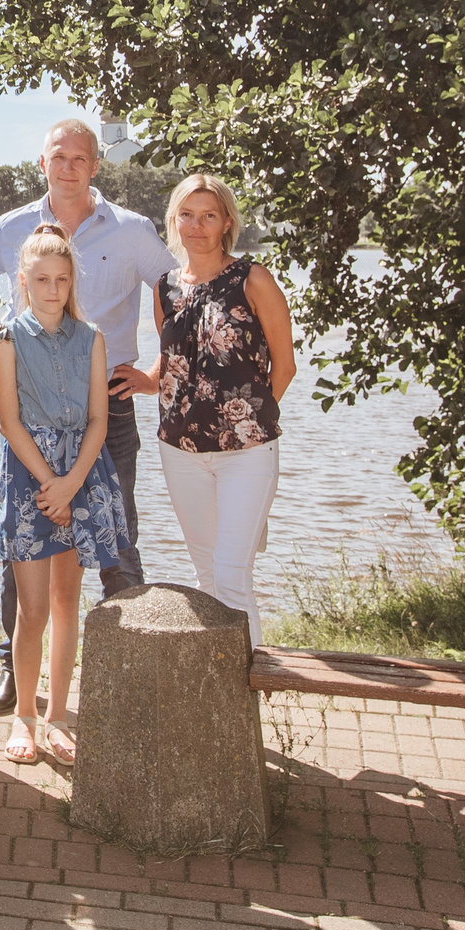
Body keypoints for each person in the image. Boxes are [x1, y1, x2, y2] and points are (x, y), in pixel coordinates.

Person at [0, 117, 176, 717]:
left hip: (106, 412)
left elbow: (178, 293)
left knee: (115, 544)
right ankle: (14, 673)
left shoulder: (131, 230)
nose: (69, 167)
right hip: (28, 422)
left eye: (81, 158)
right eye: (59, 156)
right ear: (43, 163)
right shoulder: (10, 230)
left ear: (95, 166)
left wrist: (158, 371)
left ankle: (129, 674)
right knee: (22, 561)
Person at [0, 225, 134, 767]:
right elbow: (9, 422)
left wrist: (72, 482)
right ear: (24, 282)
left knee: (65, 601)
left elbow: (101, 418)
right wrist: (48, 484)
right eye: (41, 279)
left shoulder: (92, 337)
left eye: (62, 279)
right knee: (31, 608)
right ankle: (25, 714)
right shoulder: (6, 340)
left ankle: (57, 717)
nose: (53, 289)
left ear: (73, 281)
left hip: (82, 471)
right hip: (30, 475)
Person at [151, 175, 296, 647]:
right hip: (180, 451)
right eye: (186, 215)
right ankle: (217, 699)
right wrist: (145, 380)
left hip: (246, 454)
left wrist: (245, 423)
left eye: (208, 215)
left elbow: (285, 365)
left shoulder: (252, 279)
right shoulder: (165, 288)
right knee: (207, 577)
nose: (196, 225)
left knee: (232, 577)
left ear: (226, 222)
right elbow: (177, 362)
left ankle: (247, 692)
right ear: (174, 221)